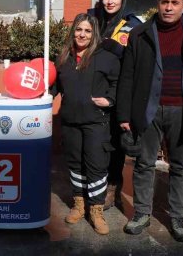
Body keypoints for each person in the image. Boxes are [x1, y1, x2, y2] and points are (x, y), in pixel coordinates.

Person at [116, 0, 183, 242]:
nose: (169, 7)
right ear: (157, 4)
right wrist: (124, 114)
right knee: (144, 164)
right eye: (165, 2)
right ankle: (142, 213)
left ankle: (178, 217)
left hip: (182, 111)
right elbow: (127, 76)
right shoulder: (140, 34)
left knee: (180, 166)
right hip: (149, 109)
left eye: (175, 3)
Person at [55, 13, 120, 235]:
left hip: (96, 122)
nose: (82, 34)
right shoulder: (64, 58)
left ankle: (96, 209)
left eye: (88, 31)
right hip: (70, 122)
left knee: (96, 166)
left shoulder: (106, 58)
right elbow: (54, 87)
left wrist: (109, 99)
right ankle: (79, 204)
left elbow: (118, 83)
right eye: (79, 29)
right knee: (75, 165)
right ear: (73, 31)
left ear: (94, 35)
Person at [87, 0, 142, 210]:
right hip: (92, 89)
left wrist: (116, 48)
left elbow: (138, 59)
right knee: (93, 143)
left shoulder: (132, 24)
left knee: (116, 145)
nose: (110, 1)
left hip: (118, 93)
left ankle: (113, 189)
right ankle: (92, 187)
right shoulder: (91, 20)